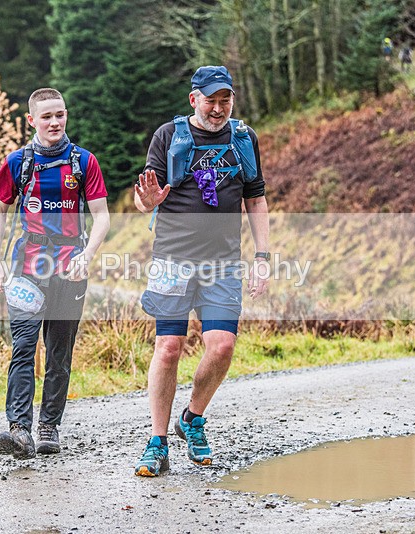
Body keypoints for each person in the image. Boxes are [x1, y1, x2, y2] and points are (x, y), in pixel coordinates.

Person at [132, 66, 270, 476]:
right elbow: (144, 200)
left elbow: (256, 200)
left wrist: (262, 258)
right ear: (194, 99)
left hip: (223, 262)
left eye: (226, 100)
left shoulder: (243, 138)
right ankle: (157, 442)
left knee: (222, 346)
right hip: (172, 260)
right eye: (211, 100)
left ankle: (192, 418)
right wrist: (148, 201)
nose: (218, 108)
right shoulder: (168, 136)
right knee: (168, 348)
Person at [0, 87, 110, 460]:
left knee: (59, 350)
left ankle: (48, 427)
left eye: (60, 114)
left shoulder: (83, 162)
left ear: (66, 115)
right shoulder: (17, 163)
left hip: (71, 267)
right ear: (32, 120)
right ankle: (19, 430)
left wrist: (87, 255)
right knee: (24, 346)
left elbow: (102, 216)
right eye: (47, 116)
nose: (55, 122)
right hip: (27, 265)